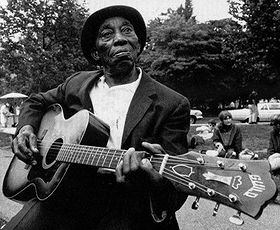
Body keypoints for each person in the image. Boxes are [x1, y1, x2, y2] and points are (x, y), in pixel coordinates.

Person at [4, 5, 190, 230]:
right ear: (95, 53)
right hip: (64, 192)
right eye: (107, 34)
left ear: (138, 45)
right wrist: (25, 129)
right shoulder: (77, 83)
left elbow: (176, 191)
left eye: (127, 31)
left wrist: (153, 179)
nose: (120, 39)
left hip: (126, 204)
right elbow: (35, 101)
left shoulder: (172, 103)